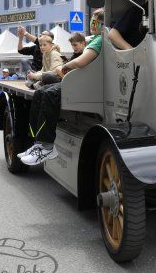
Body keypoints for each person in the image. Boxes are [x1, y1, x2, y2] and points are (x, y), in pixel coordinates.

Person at [19, 11, 106, 165]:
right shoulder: (94, 39)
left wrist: (65, 66)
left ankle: (47, 146)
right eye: (92, 21)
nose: (92, 25)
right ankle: (38, 143)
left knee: (49, 94)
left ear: (102, 24)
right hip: (80, 80)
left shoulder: (98, 40)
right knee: (40, 92)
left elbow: (80, 62)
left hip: (84, 82)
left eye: (95, 22)